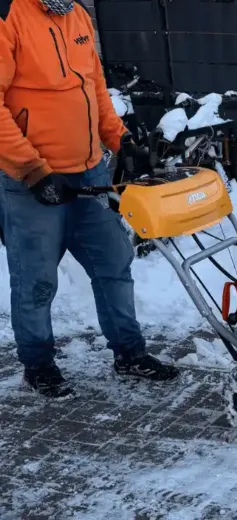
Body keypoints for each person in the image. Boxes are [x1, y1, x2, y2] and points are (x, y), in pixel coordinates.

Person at [0, 0, 180, 399]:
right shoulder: (8, 14)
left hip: (90, 171)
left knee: (114, 262)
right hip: (31, 178)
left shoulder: (77, 14)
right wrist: (31, 169)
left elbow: (93, 87)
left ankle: (130, 354)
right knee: (36, 279)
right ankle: (38, 364)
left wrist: (121, 140)